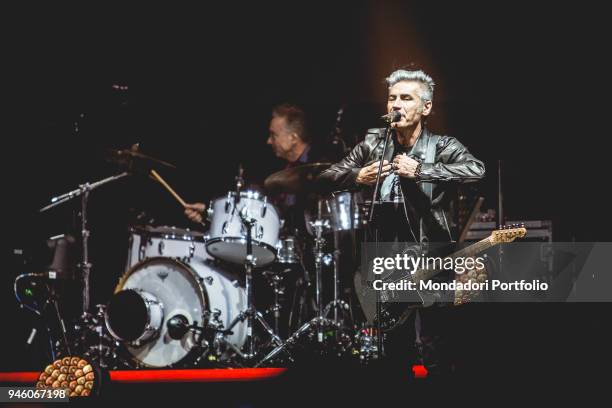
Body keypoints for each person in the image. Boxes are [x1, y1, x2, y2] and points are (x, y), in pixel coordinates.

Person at [318, 68, 485, 375]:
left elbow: (475, 169)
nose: (396, 104)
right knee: (396, 352)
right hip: (388, 263)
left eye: (406, 98)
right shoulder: (373, 144)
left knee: (434, 346)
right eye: (392, 98)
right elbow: (326, 176)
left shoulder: (442, 146)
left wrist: (422, 170)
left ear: (426, 107)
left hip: (431, 258)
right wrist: (357, 176)